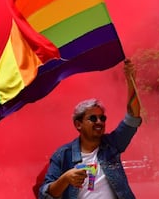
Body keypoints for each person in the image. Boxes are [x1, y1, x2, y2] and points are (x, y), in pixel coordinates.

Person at [38, 59, 142, 199]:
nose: (99, 122)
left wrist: (130, 80)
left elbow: (132, 117)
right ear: (78, 124)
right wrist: (66, 178)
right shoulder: (63, 155)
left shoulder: (112, 145)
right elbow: (44, 195)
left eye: (102, 118)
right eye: (93, 118)